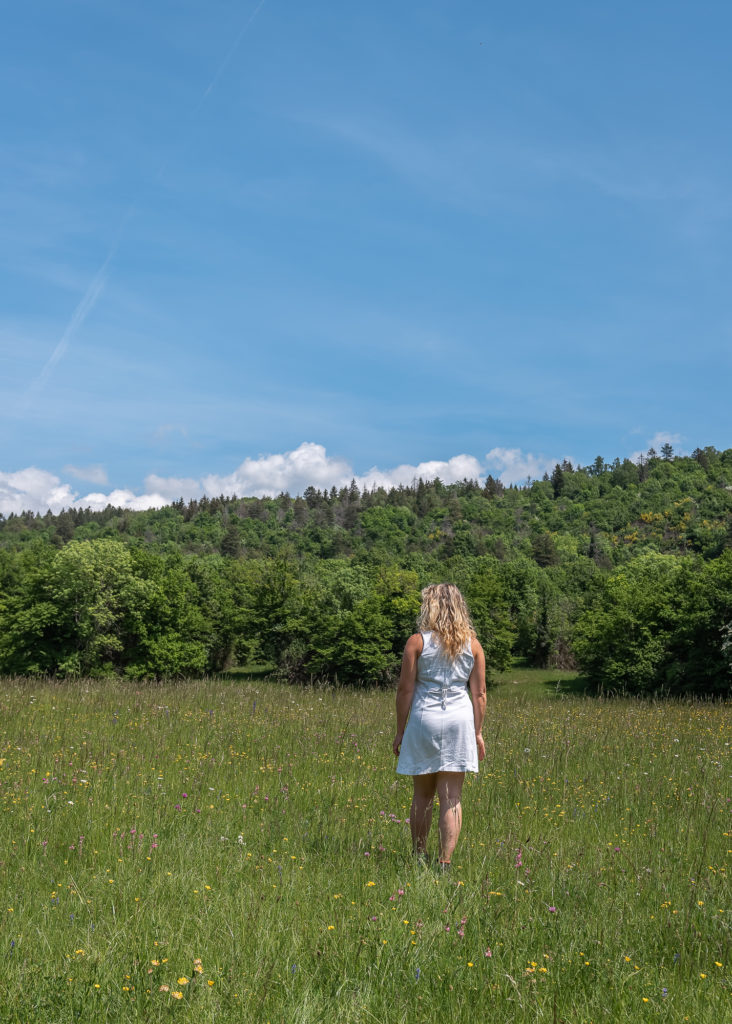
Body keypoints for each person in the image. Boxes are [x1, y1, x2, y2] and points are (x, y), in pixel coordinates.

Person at [393, 583, 486, 869]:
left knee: (422, 795)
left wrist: (400, 730)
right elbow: (479, 694)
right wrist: (478, 733)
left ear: (430, 607)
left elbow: (405, 690)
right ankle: (444, 862)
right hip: (459, 719)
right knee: (452, 797)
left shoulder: (417, 642)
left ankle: (419, 856)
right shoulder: (472, 644)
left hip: (424, 719)